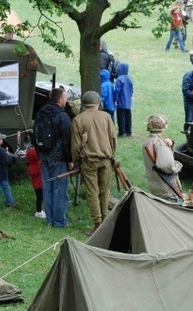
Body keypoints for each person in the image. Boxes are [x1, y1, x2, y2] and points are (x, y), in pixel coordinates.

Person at [71, 91, 116, 237]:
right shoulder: (107, 117)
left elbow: (76, 145)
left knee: (93, 193)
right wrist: (111, 154)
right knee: (104, 191)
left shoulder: (78, 119)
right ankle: (105, 221)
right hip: (106, 160)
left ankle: (98, 224)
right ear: (98, 103)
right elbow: (113, 139)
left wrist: (76, 162)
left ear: (83, 104)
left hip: (88, 161)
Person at [35, 87, 73, 228]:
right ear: (59, 100)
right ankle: (59, 221)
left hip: (43, 155)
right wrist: (70, 160)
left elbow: (35, 134)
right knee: (59, 189)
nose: (66, 99)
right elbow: (67, 139)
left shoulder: (41, 113)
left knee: (47, 187)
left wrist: (39, 153)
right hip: (58, 157)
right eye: (65, 97)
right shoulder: (62, 116)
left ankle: (50, 219)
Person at [142, 114, 184, 202]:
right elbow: (167, 165)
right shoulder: (160, 144)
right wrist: (178, 165)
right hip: (166, 189)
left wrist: (170, 144)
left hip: (156, 186)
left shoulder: (148, 141)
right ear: (163, 127)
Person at [114, 62, 134, 137]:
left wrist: (115, 99)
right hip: (128, 101)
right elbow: (132, 90)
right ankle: (129, 131)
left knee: (121, 116)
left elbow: (117, 90)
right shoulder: (129, 78)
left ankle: (122, 132)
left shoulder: (119, 79)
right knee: (128, 116)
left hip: (121, 101)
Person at [26, 148, 45, 219]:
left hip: (35, 185)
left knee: (38, 198)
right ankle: (39, 212)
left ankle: (39, 210)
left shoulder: (31, 166)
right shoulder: (39, 165)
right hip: (40, 185)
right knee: (40, 198)